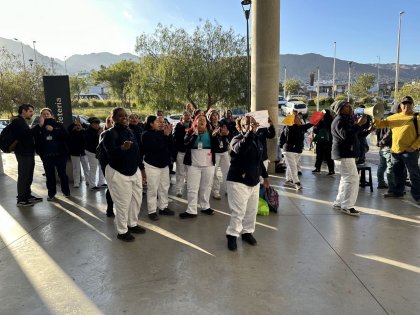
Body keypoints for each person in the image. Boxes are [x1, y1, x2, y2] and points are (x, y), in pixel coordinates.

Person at [225, 116, 270, 251]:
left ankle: (247, 232)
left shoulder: (257, 139)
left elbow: (259, 160)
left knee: (252, 210)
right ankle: (232, 235)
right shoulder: (236, 139)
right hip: (238, 181)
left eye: (252, 124)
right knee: (239, 212)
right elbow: (241, 149)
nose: (249, 127)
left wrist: (265, 176)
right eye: (246, 125)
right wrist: (250, 133)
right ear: (241, 126)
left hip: (254, 180)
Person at [102, 107, 145, 242]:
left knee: (136, 200)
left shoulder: (130, 132)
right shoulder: (109, 134)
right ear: (113, 118)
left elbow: (137, 153)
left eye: (126, 115)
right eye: (120, 116)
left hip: (134, 171)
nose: (125, 118)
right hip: (118, 173)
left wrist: (142, 170)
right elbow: (110, 154)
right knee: (123, 203)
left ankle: (132, 224)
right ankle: (122, 231)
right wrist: (121, 148)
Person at [374, 96, 420, 203]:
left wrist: (414, 146)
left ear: (413, 105)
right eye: (404, 103)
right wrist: (375, 115)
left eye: (409, 103)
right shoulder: (394, 117)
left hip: (410, 152)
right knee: (398, 173)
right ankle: (397, 192)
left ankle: (418, 196)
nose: (406, 105)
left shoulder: (417, 117)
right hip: (395, 151)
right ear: (400, 106)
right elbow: (380, 124)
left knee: (414, 174)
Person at [331, 100, 367, 216]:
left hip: (344, 154)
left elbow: (354, 134)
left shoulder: (345, 120)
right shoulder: (340, 120)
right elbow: (346, 135)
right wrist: (358, 124)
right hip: (344, 154)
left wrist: (367, 128)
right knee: (352, 180)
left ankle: (339, 202)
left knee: (345, 179)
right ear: (340, 109)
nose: (350, 107)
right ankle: (347, 206)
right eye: (347, 106)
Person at [179, 114, 216, 219]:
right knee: (192, 188)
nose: (202, 122)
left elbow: (217, 146)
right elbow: (185, 143)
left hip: (208, 165)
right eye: (199, 120)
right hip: (193, 165)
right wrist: (194, 135)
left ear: (206, 122)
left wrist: (218, 136)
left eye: (204, 120)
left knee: (206, 187)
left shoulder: (211, 133)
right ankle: (191, 210)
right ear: (195, 122)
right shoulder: (190, 132)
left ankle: (205, 207)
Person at [33, 108, 71, 200]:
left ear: (52, 115)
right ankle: (51, 194)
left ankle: (66, 192)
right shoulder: (39, 127)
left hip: (60, 155)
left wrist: (53, 130)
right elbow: (35, 140)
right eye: (43, 114)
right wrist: (40, 154)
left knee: (62, 174)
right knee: (49, 176)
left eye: (47, 114)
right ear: (41, 116)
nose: (46, 115)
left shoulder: (58, 125)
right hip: (46, 156)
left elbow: (65, 137)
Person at [142, 115, 175, 220]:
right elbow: (155, 148)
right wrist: (165, 136)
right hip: (152, 166)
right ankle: (152, 211)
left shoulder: (163, 133)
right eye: (158, 121)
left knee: (164, 187)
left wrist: (169, 135)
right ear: (151, 123)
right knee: (153, 189)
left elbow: (171, 146)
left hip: (164, 165)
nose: (162, 123)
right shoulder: (146, 134)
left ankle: (163, 207)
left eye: (163, 122)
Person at [12, 104, 42, 206]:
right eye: (30, 111)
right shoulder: (17, 121)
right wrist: (38, 126)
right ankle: (21, 199)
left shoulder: (22, 121)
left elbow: (26, 134)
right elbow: (26, 135)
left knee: (28, 175)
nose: (32, 113)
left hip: (28, 152)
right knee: (24, 176)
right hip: (23, 153)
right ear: (23, 111)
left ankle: (27, 195)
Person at [282, 115, 312, 190]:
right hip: (289, 151)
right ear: (293, 120)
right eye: (298, 119)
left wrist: (315, 120)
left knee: (291, 166)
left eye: (300, 118)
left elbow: (308, 125)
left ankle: (288, 180)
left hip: (297, 150)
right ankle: (296, 182)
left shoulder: (300, 127)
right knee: (293, 167)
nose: (300, 119)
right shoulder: (289, 127)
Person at [207, 109, 231, 200]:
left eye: (217, 115)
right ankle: (216, 191)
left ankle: (228, 190)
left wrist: (226, 133)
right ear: (210, 116)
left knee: (227, 171)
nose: (215, 117)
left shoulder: (222, 124)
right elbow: (208, 138)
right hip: (215, 152)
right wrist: (213, 135)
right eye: (213, 115)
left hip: (224, 151)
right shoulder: (208, 126)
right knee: (215, 173)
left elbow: (229, 135)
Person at [173, 111, 192, 197]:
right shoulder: (178, 126)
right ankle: (178, 190)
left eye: (189, 115)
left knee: (190, 172)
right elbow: (176, 138)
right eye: (186, 115)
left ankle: (191, 189)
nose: (187, 117)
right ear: (182, 117)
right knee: (180, 172)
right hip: (181, 152)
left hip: (190, 153)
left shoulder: (193, 125)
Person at [84, 117, 107, 190]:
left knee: (101, 167)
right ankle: (92, 185)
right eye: (94, 124)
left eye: (97, 124)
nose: (96, 125)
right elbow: (91, 141)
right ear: (91, 124)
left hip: (99, 152)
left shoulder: (99, 130)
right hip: (91, 152)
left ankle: (101, 182)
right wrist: (98, 134)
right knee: (93, 168)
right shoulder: (88, 131)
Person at [67, 116, 89, 188]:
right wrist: (74, 123)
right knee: (76, 169)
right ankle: (76, 182)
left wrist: (82, 123)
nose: (78, 126)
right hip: (74, 153)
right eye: (76, 125)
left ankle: (88, 180)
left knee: (86, 167)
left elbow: (88, 128)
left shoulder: (84, 132)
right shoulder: (71, 132)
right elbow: (68, 129)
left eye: (79, 125)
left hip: (83, 153)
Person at [312, 109, 335, 175]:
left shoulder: (321, 121)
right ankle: (331, 170)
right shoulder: (332, 121)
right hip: (329, 140)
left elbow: (316, 131)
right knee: (329, 156)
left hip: (321, 141)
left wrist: (316, 125)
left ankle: (317, 168)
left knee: (319, 155)